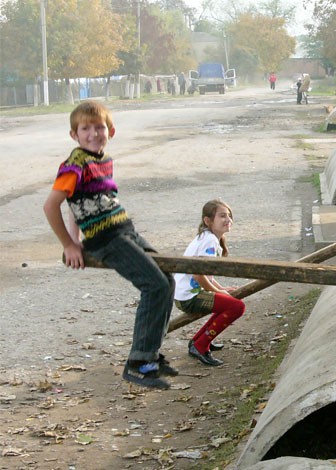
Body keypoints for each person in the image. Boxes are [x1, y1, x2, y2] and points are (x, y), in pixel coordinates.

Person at [43, 101, 176, 390]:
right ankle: (138, 364)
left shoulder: (103, 159)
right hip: (107, 240)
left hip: (125, 230)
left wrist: (74, 236)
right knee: (155, 285)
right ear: (74, 135)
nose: (93, 133)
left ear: (111, 131)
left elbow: (76, 203)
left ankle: (151, 356)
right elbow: (52, 204)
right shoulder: (74, 165)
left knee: (167, 279)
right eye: (85, 129)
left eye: (99, 127)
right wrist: (70, 244)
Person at [173, 199, 246, 367]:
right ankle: (200, 345)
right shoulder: (210, 241)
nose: (228, 220)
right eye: (222, 216)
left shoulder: (209, 238)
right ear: (208, 221)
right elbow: (198, 275)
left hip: (185, 293)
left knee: (228, 304)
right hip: (188, 296)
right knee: (236, 307)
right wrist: (218, 292)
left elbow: (207, 274)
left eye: (229, 216)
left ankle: (200, 340)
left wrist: (221, 289)